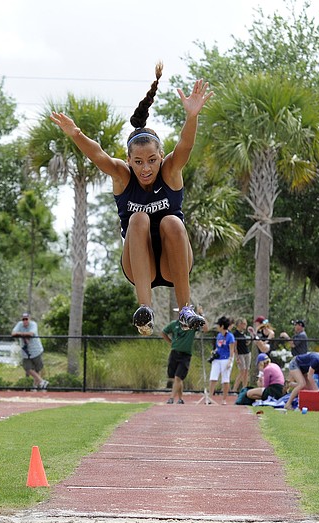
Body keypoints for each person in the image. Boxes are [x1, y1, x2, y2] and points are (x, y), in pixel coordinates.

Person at [50, 63, 213, 335]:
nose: (146, 168)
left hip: (175, 263)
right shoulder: (123, 176)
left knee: (172, 221)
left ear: (161, 157)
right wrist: (76, 134)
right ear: (129, 160)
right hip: (140, 268)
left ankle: (186, 309)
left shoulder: (170, 171)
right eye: (138, 162)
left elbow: (185, 146)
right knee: (138, 218)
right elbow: (99, 155)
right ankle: (144, 310)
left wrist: (192, 117)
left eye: (151, 160)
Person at [161, 307, 208, 404]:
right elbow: (163, 332)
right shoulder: (174, 324)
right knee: (176, 378)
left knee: (178, 377)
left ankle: (171, 398)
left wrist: (201, 315)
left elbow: (206, 329)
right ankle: (180, 399)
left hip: (185, 355)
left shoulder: (192, 325)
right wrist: (171, 342)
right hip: (174, 353)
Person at [11, 312, 48, 390]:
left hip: (36, 350)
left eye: (26, 319)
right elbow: (13, 333)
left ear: (29, 319)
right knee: (27, 368)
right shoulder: (19, 324)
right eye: (23, 319)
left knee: (37, 369)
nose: (25, 321)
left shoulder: (33, 324)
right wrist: (24, 334)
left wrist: (20, 334)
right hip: (25, 351)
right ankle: (42, 381)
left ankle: (35, 387)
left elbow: (31, 334)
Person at [208, 316, 236, 404]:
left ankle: (224, 399)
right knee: (213, 377)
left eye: (218, 325)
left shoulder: (230, 337)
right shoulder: (219, 335)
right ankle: (209, 397)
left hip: (225, 359)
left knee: (225, 379)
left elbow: (232, 350)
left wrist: (230, 361)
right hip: (217, 358)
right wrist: (214, 353)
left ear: (222, 326)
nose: (217, 327)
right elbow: (218, 347)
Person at [231, 318, 252, 393]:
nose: (245, 325)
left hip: (246, 353)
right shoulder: (235, 334)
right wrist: (237, 357)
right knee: (242, 371)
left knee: (246, 371)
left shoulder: (243, 333)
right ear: (240, 324)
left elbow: (246, 343)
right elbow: (235, 346)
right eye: (244, 324)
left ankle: (244, 387)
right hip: (240, 354)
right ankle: (234, 389)